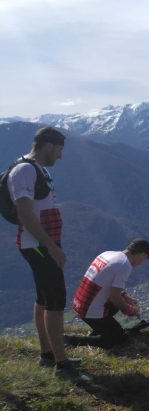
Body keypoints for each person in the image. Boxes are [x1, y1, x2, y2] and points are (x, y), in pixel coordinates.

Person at [5, 127, 88, 381]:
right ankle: (62, 364)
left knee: (43, 298)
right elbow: (26, 214)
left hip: (40, 244)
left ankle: (47, 353)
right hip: (38, 246)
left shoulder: (37, 169)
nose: (61, 155)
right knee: (55, 300)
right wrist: (51, 246)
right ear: (48, 145)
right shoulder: (25, 171)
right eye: (60, 149)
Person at [69, 239, 149, 348]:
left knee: (115, 308)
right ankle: (74, 340)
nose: (142, 263)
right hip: (89, 310)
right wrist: (130, 310)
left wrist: (125, 298)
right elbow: (114, 298)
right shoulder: (124, 265)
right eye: (145, 259)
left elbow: (107, 285)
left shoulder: (108, 254)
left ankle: (101, 329)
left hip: (79, 303)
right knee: (117, 338)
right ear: (142, 254)